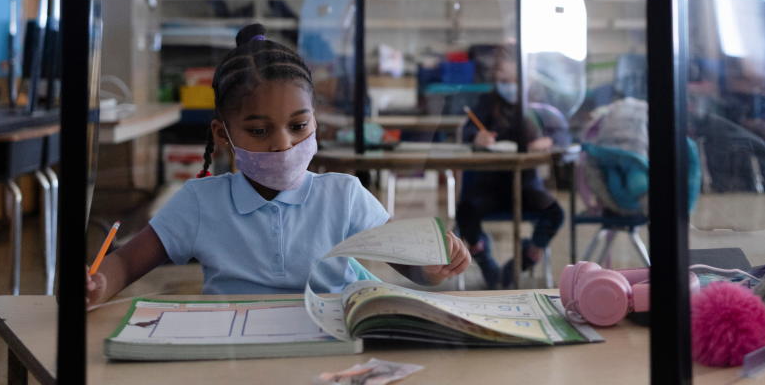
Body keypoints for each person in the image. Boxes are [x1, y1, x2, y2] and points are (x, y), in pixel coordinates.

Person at [86, 24, 469, 306]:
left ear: (316, 121)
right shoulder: (200, 203)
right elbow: (125, 264)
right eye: (258, 130)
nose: (283, 143)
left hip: (326, 350)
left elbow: (411, 266)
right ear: (223, 136)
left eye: (299, 126)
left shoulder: (344, 195)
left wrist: (434, 267)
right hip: (232, 351)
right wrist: (98, 283)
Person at [456, 45, 565, 289]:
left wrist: (549, 140)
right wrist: (476, 138)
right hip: (489, 187)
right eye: (503, 80)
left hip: (526, 186)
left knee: (555, 212)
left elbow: (562, 133)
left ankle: (528, 256)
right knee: (465, 211)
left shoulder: (538, 104)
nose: (509, 86)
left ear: (527, 77)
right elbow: (467, 131)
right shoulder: (486, 103)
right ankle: (482, 256)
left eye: (515, 80)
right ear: (495, 80)